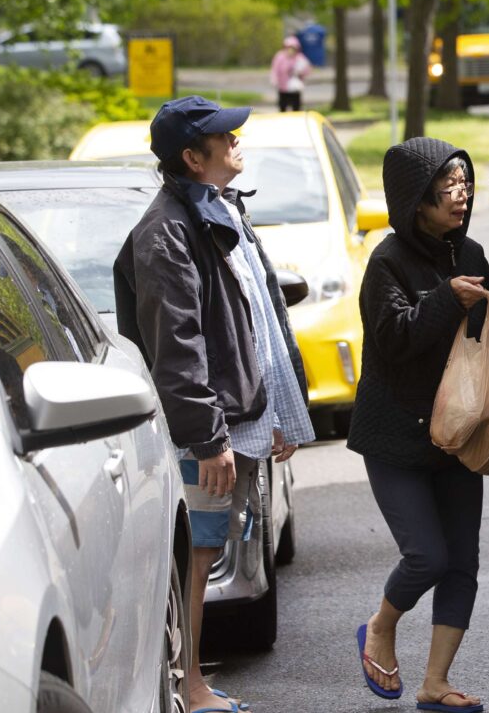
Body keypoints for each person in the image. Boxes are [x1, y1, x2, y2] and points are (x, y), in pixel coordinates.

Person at [112, 95, 315, 713]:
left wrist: (278, 410)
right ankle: (190, 687)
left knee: (205, 554)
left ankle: (193, 682)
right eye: (224, 137)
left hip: (235, 422)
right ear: (192, 157)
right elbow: (179, 349)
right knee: (195, 560)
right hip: (204, 435)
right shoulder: (167, 233)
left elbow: (259, 321)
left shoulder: (218, 210)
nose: (237, 141)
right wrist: (209, 440)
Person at [346, 138, 489, 713]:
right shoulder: (387, 261)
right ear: (415, 200)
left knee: (463, 562)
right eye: (448, 189)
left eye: (465, 186)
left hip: (458, 433)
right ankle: (379, 626)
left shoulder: (469, 253)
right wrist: (447, 299)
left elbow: (485, 333)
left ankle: (436, 682)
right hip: (396, 436)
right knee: (427, 556)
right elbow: (395, 341)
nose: (461, 197)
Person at [270, 34, 312, 112]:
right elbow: (275, 69)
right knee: (283, 106)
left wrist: (300, 72)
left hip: (295, 88)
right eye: (289, 48)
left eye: (293, 48)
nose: (291, 50)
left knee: (296, 107)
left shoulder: (300, 57)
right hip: (283, 87)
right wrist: (274, 80)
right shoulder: (280, 57)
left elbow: (307, 70)